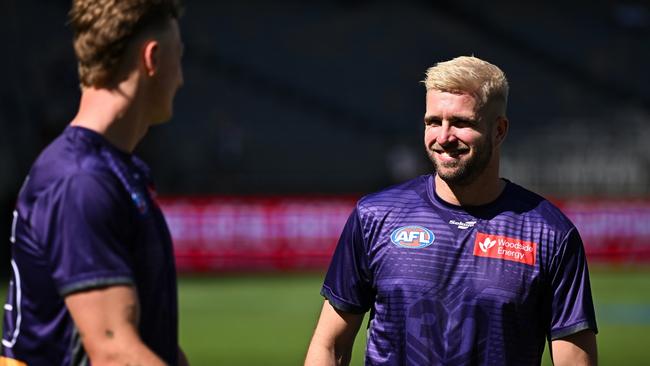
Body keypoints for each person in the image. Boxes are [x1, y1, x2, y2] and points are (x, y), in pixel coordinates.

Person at [305, 56, 598, 365]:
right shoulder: (375, 217)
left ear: (499, 130)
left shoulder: (549, 233)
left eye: (461, 122)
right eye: (433, 122)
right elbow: (330, 346)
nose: (443, 137)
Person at [1, 0, 189, 365]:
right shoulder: (80, 180)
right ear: (151, 59)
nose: (181, 78)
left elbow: (153, 343)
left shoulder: (120, 171)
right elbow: (114, 352)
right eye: (178, 57)